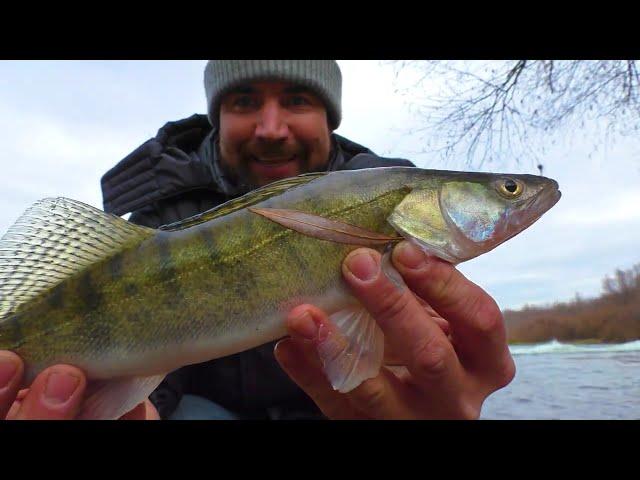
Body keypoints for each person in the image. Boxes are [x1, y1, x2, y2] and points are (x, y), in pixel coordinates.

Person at [0, 60, 515, 420]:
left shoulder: (397, 225)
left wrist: (428, 384)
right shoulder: (153, 221)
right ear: (216, 115)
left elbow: (393, 361)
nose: (272, 128)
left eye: (296, 99)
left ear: (329, 117)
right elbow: (156, 379)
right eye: (245, 101)